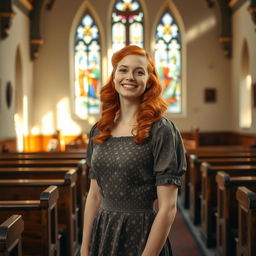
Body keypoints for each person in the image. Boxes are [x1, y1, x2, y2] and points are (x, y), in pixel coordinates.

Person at [80, 45, 186, 256]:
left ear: (149, 80)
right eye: (123, 70)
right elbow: (94, 195)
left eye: (139, 72)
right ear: (114, 76)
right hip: (103, 231)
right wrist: (84, 247)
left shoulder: (161, 130)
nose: (130, 77)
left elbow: (168, 208)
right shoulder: (100, 129)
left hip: (142, 235)